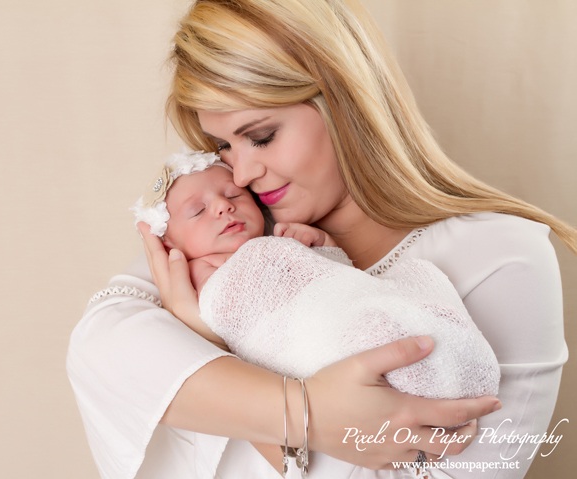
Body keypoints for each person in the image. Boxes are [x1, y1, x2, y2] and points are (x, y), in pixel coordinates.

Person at [67, 1, 574, 478]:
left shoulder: (503, 257)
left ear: (344, 99)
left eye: (261, 136)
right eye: (223, 145)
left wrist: (215, 351)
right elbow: (100, 347)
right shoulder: (238, 234)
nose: (241, 173)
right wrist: (305, 414)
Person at [130, 148, 501, 475]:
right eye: (198, 211)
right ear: (169, 242)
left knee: (406, 291)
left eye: (233, 195)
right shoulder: (197, 274)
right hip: (297, 343)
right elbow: (228, 328)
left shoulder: (280, 240)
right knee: (369, 334)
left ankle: (435, 351)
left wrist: (326, 251)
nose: (224, 206)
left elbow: (335, 285)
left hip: (336, 312)